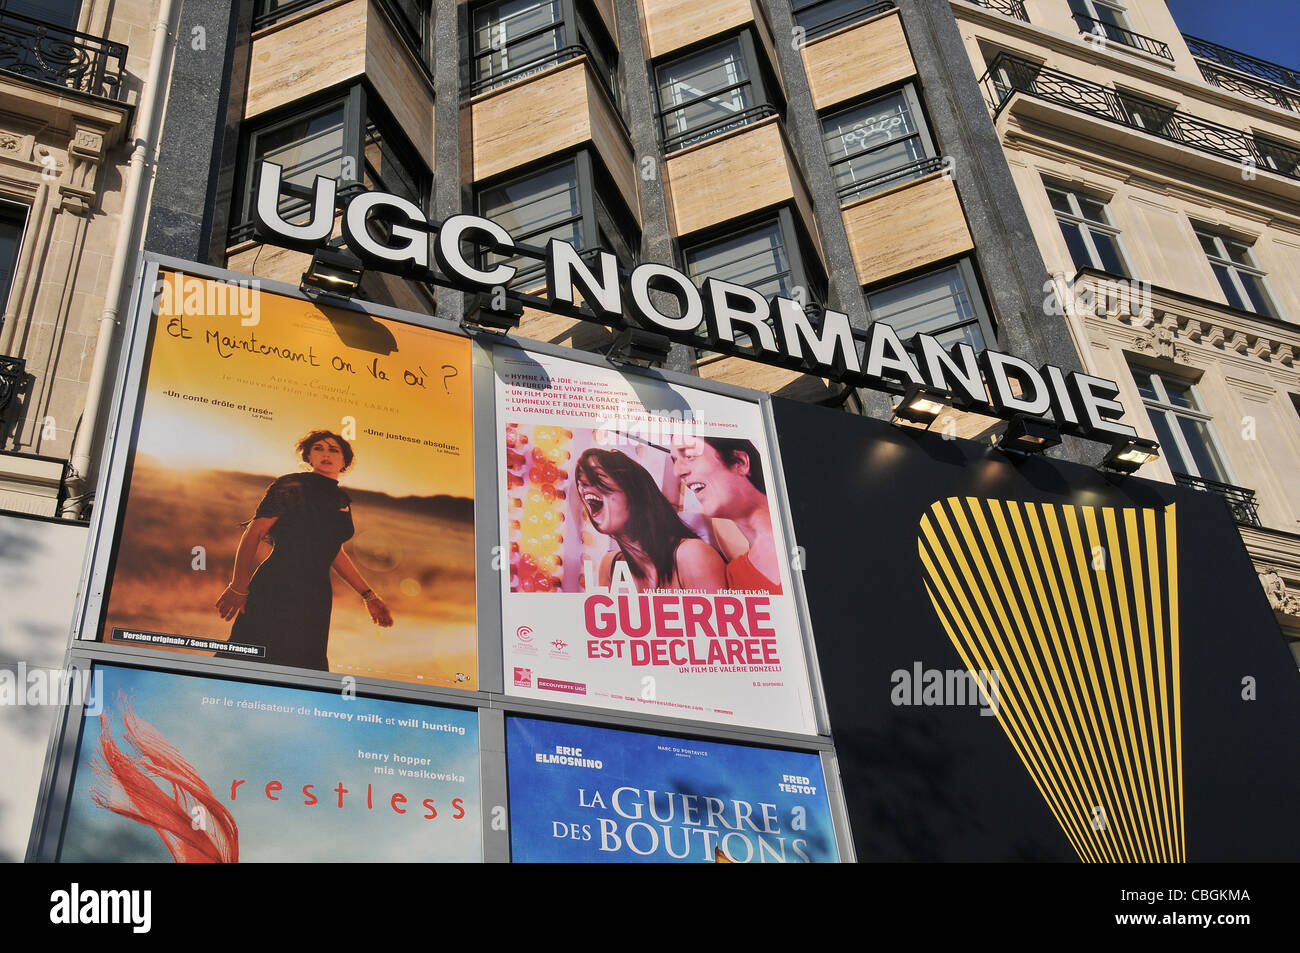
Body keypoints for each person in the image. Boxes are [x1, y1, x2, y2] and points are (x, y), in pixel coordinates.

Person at [215, 430, 392, 670]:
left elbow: (333, 552)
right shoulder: (291, 485)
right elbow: (254, 533)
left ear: (345, 461)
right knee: (250, 658)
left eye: (333, 449)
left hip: (316, 595)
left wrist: (369, 596)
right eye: (318, 448)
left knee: (304, 666)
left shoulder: (341, 500)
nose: (326, 454)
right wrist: (238, 585)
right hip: (277, 584)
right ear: (308, 456)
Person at [575, 448, 726, 593]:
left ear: (634, 491)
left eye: (596, 477)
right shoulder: (610, 567)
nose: (584, 487)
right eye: (583, 484)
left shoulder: (692, 556)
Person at [671, 436, 782, 594]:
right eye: (674, 461)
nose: (677, 472)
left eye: (689, 455)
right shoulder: (735, 579)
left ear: (740, 462)